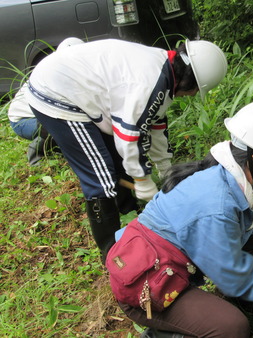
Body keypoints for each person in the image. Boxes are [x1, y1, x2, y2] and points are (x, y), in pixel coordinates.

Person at [109, 100, 253, 338]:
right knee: (230, 327)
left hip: (170, 267)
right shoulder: (217, 207)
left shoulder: (230, 178)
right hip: (147, 285)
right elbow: (231, 273)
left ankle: (239, 301)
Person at [25, 38, 228, 261]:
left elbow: (155, 125)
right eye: (194, 92)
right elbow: (129, 137)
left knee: (114, 159)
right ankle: (113, 254)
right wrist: (142, 181)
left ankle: (130, 214)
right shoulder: (147, 83)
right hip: (56, 93)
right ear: (192, 83)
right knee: (100, 178)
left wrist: (165, 168)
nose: (190, 96)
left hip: (78, 88)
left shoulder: (166, 69)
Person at [8, 37, 85, 165]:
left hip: (41, 114)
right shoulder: (55, 73)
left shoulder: (68, 71)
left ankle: (58, 147)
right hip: (22, 120)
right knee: (65, 125)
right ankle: (36, 151)